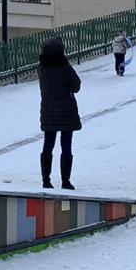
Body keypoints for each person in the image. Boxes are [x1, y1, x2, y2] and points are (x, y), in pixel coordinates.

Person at [37, 37, 81, 191]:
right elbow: (77, 86)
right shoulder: (65, 68)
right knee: (66, 146)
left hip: (48, 110)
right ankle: (66, 181)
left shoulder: (41, 68)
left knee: (48, 145)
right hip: (67, 112)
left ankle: (46, 181)